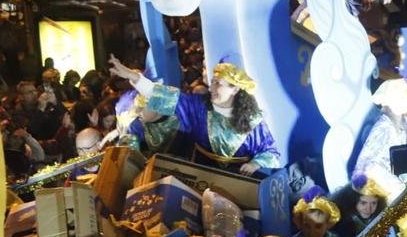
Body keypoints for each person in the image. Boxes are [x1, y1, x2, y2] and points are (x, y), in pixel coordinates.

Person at [108, 55, 279, 176]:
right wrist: (134, 77)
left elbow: (270, 151)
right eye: (211, 82)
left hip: (240, 180)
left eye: (218, 84)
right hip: (201, 174)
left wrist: (255, 163)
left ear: (235, 89)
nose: (211, 88)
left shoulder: (254, 121)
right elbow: (166, 96)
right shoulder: (198, 107)